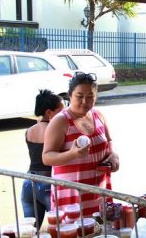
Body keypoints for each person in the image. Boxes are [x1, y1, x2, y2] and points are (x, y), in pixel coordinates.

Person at [43, 71, 119, 217]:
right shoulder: (60, 121)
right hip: (71, 198)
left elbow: (109, 141)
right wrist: (72, 154)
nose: (85, 101)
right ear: (70, 96)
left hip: (100, 193)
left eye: (90, 96)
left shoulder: (99, 116)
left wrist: (113, 155)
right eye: (80, 96)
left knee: (101, 230)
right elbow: (46, 157)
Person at [21, 89, 64, 228]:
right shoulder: (55, 130)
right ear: (49, 112)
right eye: (60, 110)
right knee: (59, 229)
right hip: (48, 184)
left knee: (31, 231)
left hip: (29, 183)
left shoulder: (30, 130)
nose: (64, 113)